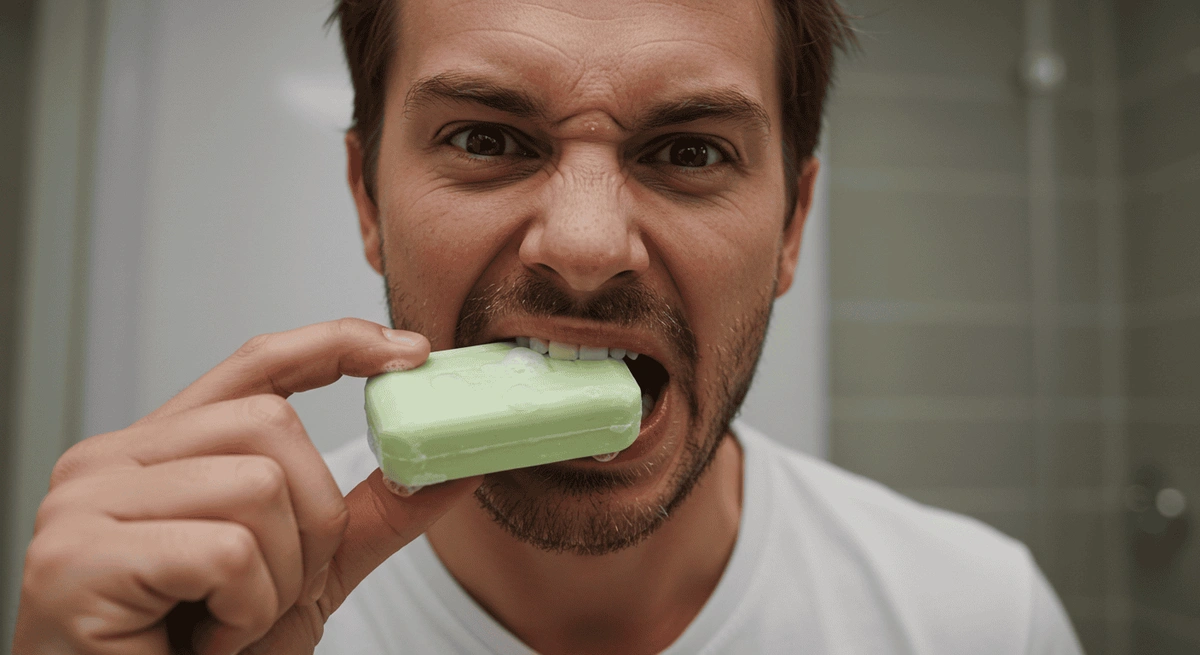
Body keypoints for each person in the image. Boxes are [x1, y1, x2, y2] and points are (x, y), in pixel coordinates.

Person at [13, 0, 1085, 653]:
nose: (582, 246)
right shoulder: (212, 623)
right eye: (486, 136)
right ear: (369, 201)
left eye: (691, 150)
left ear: (794, 224)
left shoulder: (978, 620)